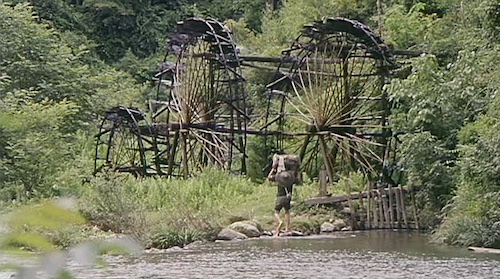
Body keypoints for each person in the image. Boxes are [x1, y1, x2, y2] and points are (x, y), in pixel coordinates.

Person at [267, 154, 301, 236]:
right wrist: (297, 171)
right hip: (288, 197)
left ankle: (280, 222)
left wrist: (273, 168)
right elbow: (299, 180)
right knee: (287, 212)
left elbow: (269, 177)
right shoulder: (291, 178)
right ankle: (287, 228)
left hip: (280, 197)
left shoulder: (279, 178)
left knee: (276, 212)